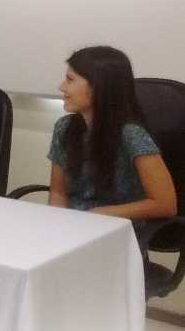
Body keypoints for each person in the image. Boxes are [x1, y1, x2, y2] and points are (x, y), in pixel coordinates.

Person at [48, 46, 176, 225]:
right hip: (75, 226)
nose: (62, 87)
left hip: (120, 230)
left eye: (70, 79)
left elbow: (165, 204)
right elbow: (58, 193)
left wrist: (97, 214)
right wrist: (56, 224)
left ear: (98, 86)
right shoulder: (64, 127)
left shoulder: (132, 135)